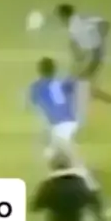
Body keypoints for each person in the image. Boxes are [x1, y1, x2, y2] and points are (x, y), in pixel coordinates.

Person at [28, 57, 101, 191]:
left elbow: (35, 102)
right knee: (52, 153)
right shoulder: (62, 81)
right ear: (54, 70)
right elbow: (81, 86)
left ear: (40, 70)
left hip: (59, 126)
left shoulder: (37, 86)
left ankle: (90, 184)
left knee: (68, 156)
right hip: (70, 121)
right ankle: (64, 181)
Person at [56, 3, 111, 120]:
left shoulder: (77, 24)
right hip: (91, 56)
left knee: (82, 86)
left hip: (93, 57)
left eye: (60, 17)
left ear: (64, 16)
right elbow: (76, 47)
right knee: (85, 87)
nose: (60, 20)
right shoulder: (77, 22)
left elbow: (104, 24)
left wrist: (98, 40)